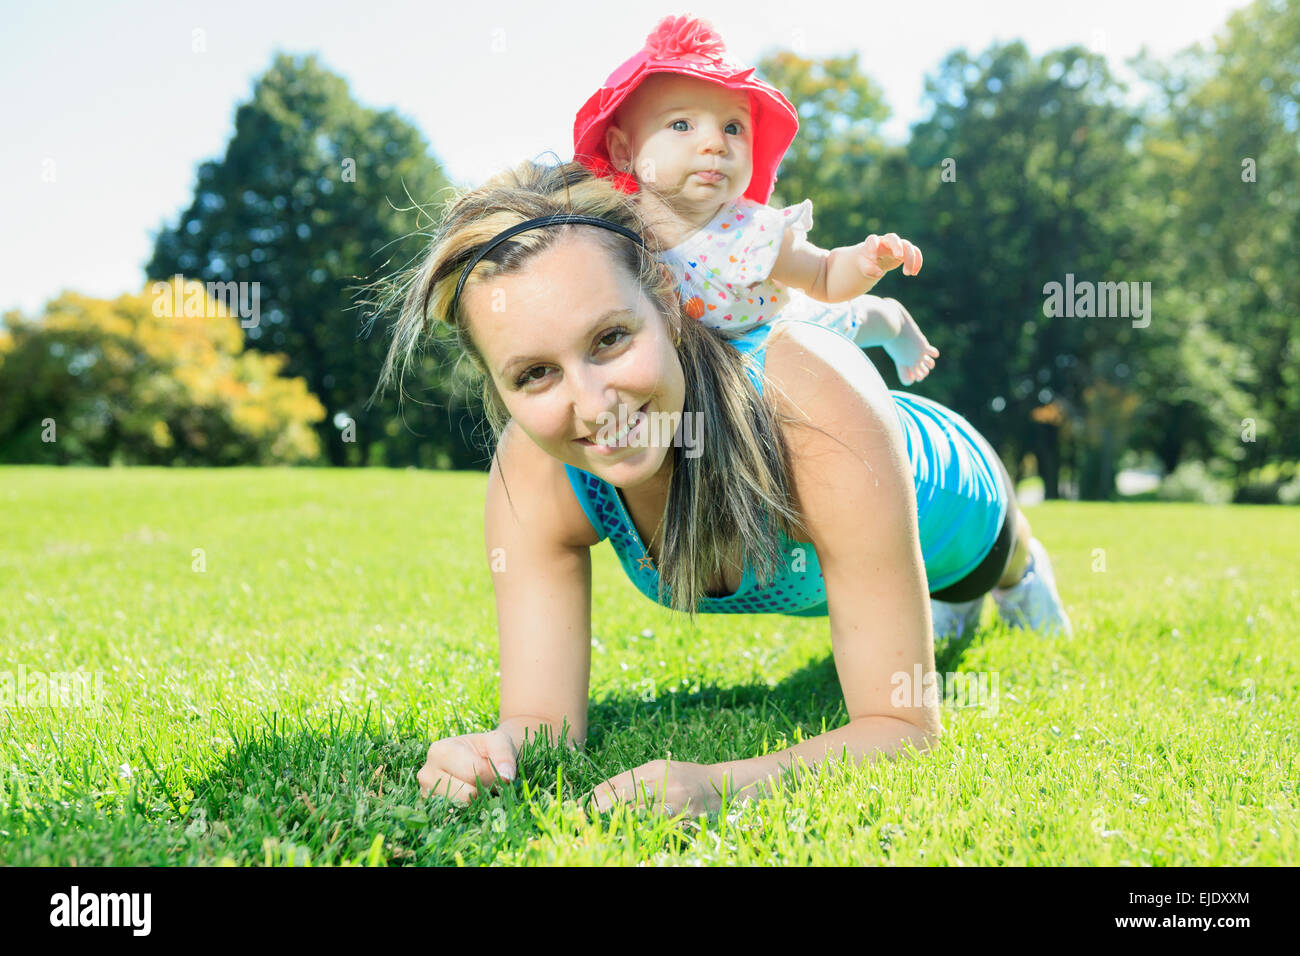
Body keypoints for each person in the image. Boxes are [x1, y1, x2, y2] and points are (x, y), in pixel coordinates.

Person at [370, 159, 1071, 818]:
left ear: (668, 304)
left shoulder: (816, 399)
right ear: (497, 386)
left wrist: (720, 786)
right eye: (534, 375)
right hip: (868, 513)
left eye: (611, 337)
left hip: (950, 493)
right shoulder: (534, 470)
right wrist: (491, 752)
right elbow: (543, 725)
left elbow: (901, 729)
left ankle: (1016, 574)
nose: (592, 404)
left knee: (991, 571)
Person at [573, 14, 940, 386]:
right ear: (623, 150)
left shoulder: (751, 231)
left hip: (785, 337)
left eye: (732, 127)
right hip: (707, 367)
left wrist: (865, 261)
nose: (715, 143)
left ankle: (894, 323)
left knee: (858, 320)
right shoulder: (616, 235)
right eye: (681, 125)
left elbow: (825, 276)